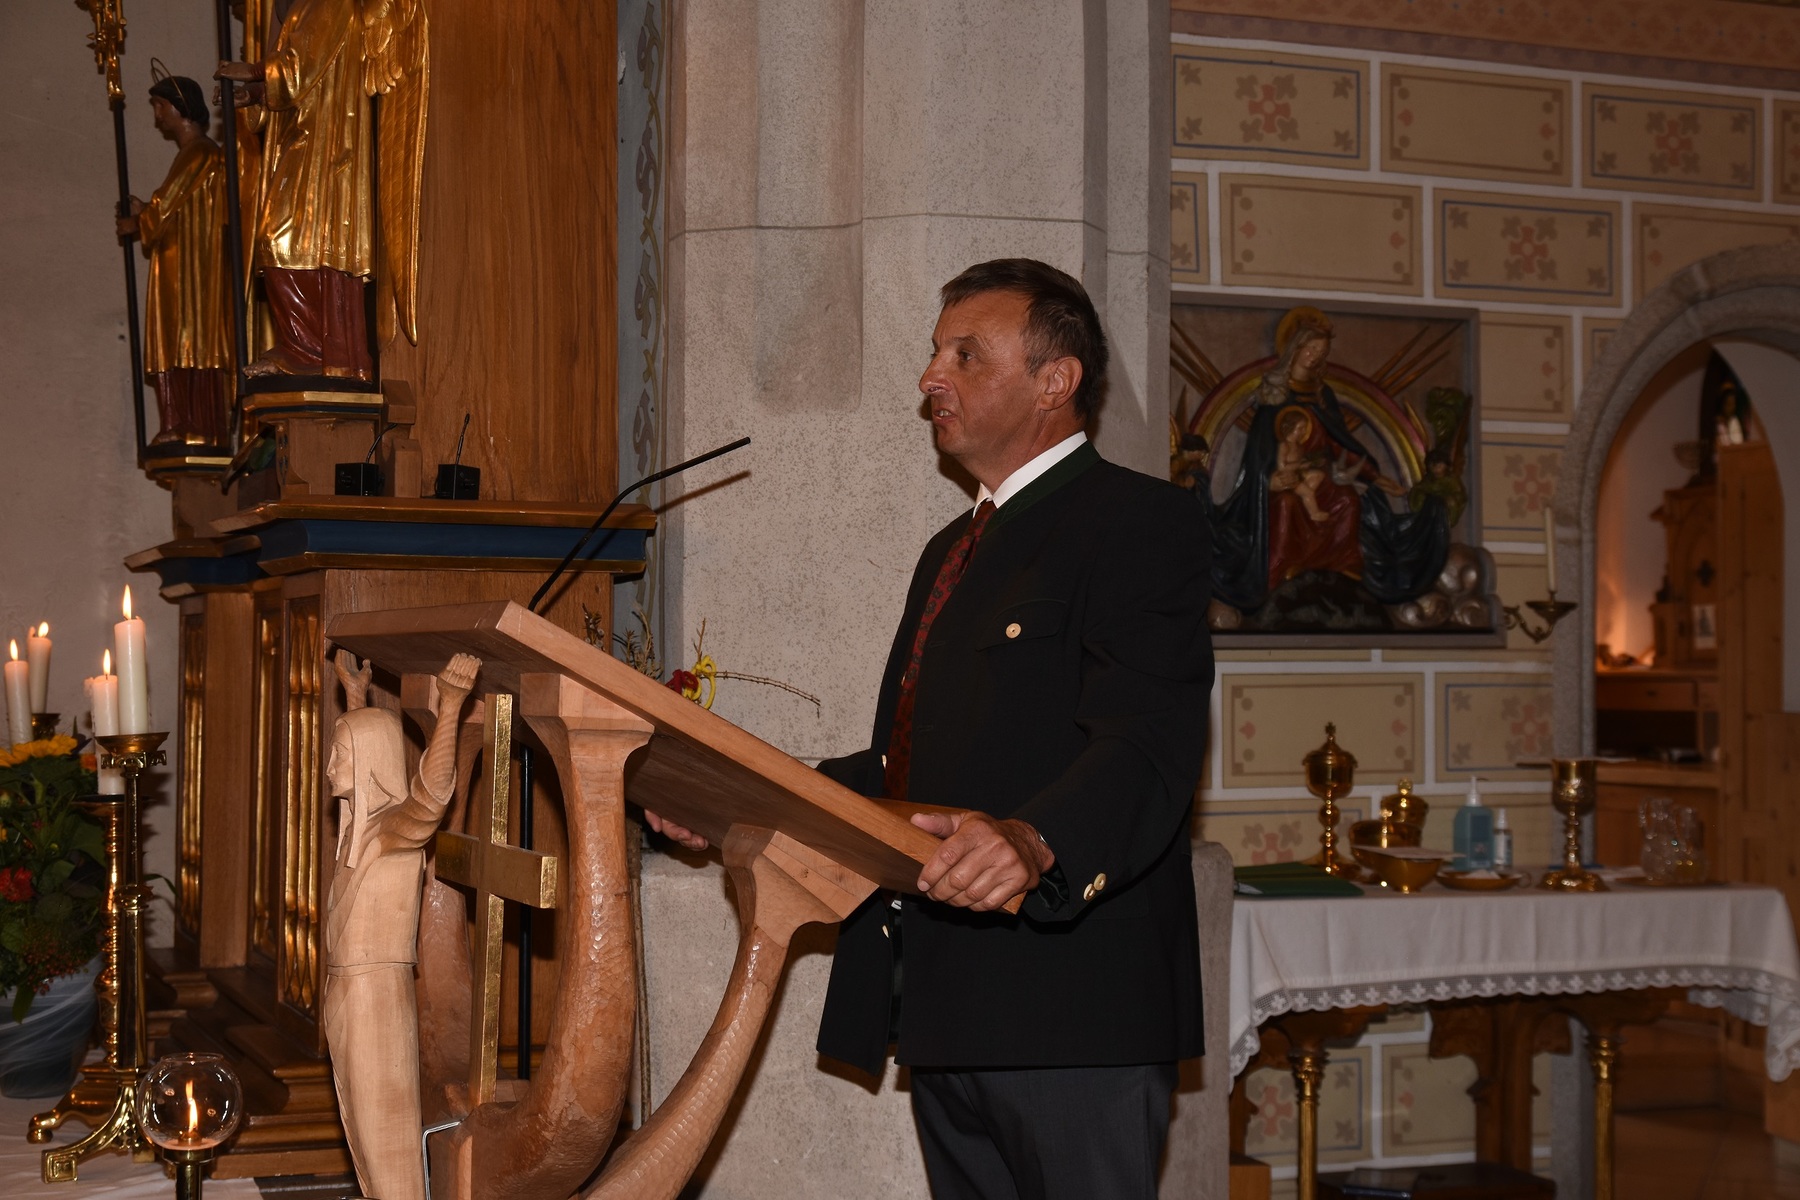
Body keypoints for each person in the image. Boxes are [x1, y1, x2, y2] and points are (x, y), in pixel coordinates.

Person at [651, 258, 1214, 1199]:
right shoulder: (951, 550)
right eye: (935, 352)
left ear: (1055, 380)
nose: (930, 378)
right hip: (949, 1007)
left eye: (965, 354)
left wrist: (1038, 839)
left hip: (1073, 1014)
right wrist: (734, 800)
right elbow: (902, 769)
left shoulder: (1135, 522)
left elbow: (1146, 740)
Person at [322, 649, 478, 1200]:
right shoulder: (358, 830)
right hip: (345, 994)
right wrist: (357, 698)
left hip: (376, 998)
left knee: (387, 1145)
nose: (329, 767)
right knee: (361, 1135)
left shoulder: (392, 834)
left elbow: (430, 798)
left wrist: (451, 707)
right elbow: (371, 754)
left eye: (340, 755)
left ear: (368, 762)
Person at [116, 73, 232, 448]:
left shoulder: (201, 152)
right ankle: (177, 422)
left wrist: (139, 222)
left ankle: (196, 425)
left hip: (193, 271)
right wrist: (145, 211)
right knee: (170, 340)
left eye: (160, 106)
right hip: (176, 265)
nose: (157, 116)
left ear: (181, 108)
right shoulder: (191, 154)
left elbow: (166, 207)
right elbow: (174, 208)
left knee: (191, 340)